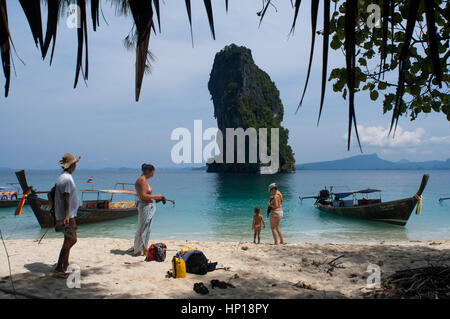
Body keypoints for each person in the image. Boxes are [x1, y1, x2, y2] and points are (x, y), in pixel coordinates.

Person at [54, 153, 80, 277]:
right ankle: (59, 267)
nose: (76, 166)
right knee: (72, 239)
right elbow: (66, 197)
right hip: (68, 215)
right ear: (72, 165)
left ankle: (65, 264)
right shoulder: (68, 179)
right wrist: (66, 216)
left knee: (67, 239)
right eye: (75, 164)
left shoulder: (62, 177)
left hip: (67, 213)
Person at [133, 163, 165, 256]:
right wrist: (158, 196)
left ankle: (141, 249)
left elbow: (146, 195)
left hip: (147, 206)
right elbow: (143, 196)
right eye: (152, 172)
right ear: (148, 171)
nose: (153, 175)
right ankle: (142, 250)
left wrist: (156, 199)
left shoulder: (144, 180)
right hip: (145, 207)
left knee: (145, 229)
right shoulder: (141, 180)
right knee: (143, 229)